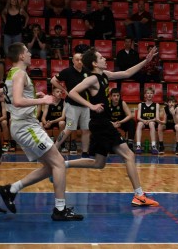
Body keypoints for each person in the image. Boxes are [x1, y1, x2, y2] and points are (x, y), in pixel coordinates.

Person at [64, 46, 159, 208]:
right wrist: (91, 106)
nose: (104, 59)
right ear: (94, 63)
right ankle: (139, 195)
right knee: (129, 155)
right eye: (101, 57)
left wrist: (146, 61)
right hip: (101, 124)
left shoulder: (105, 75)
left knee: (99, 163)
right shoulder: (92, 79)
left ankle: (63, 164)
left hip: (101, 123)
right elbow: (72, 92)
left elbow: (127, 73)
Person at [0, 42, 83, 220]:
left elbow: (12, 95)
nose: (30, 54)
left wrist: (33, 97)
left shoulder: (12, 73)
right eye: (27, 52)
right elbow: (18, 101)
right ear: (21, 56)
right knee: (59, 163)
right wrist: (43, 101)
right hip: (26, 126)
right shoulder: (20, 73)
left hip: (23, 125)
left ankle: (11, 189)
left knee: (51, 166)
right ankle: (60, 210)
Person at [50, 44, 91, 157]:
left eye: (81, 60)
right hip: (72, 105)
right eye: (76, 60)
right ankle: (54, 148)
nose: (79, 61)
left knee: (86, 129)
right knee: (68, 129)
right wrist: (64, 90)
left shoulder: (87, 71)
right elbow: (53, 80)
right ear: (73, 61)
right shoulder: (67, 71)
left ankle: (85, 152)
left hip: (85, 105)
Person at [135, 87, 161, 155]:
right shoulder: (140, 104)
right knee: (139, 124)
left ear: (153, 95)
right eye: (148, 93)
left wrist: (149, 120)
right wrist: (143, 120)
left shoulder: (157, 105)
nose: (149, 95)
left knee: (151, 124)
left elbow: (157, 118)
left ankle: (153, 146)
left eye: (151, 93)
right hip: (143, 121)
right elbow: (138, 117)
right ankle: (138, 146)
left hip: (152, 121)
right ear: (145, 95)